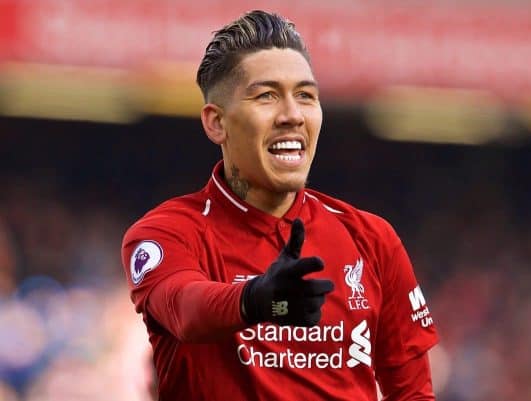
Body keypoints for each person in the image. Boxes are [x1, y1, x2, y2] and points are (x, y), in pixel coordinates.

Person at [121, 10, 438, 401]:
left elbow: (413, 393)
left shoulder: (372, 239)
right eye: (267, 96)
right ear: (215, 123)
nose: (292, 115)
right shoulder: (166, 233)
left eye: (306, 96)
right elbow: (184, 309)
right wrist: (255, 299)